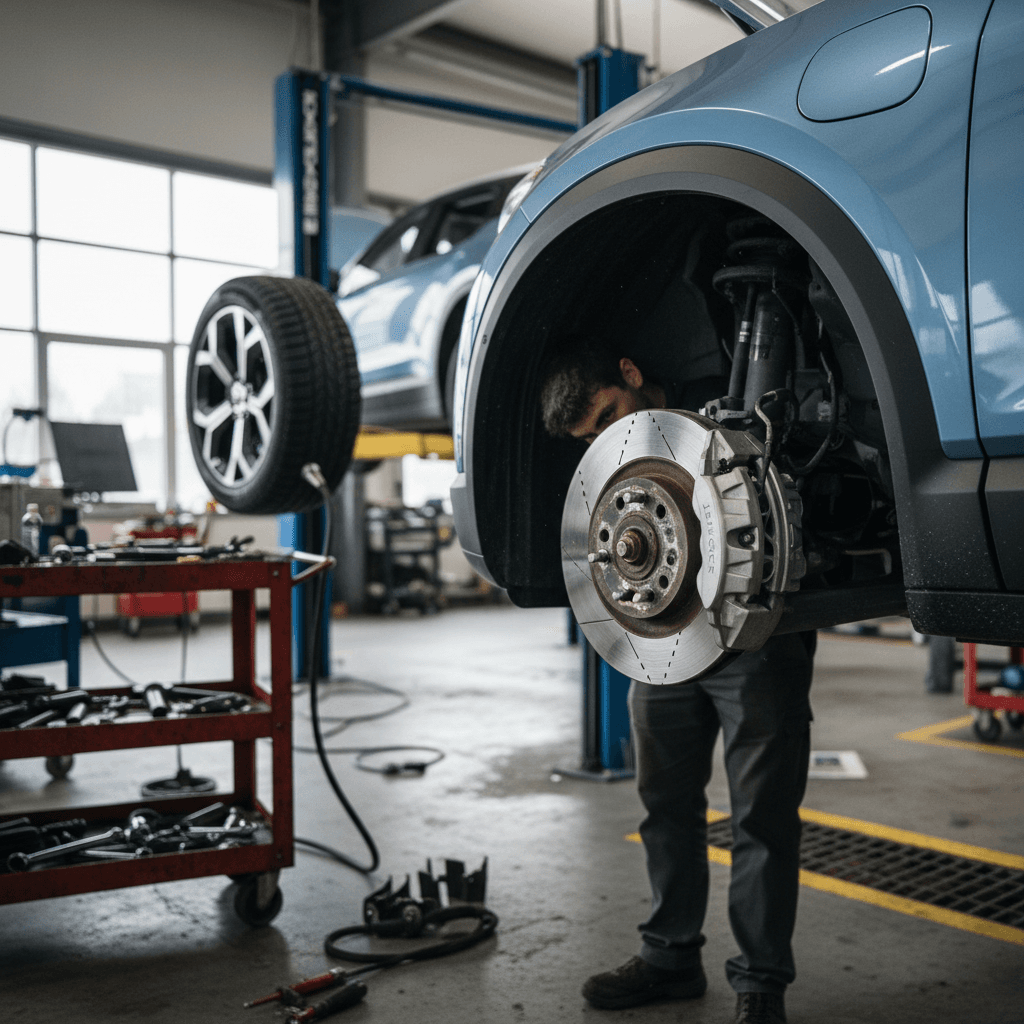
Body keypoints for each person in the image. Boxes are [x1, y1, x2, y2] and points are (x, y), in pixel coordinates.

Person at [540, 334, 815, 1024]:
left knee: (761, 817)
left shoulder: (730, 407)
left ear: (630, 373)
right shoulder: (611, 465)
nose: (605, 439)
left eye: (606, 415)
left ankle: (760, 985)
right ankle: (670, 958)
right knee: (665, 808)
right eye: (588, 437)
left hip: (754, 639)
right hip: (662, 640)